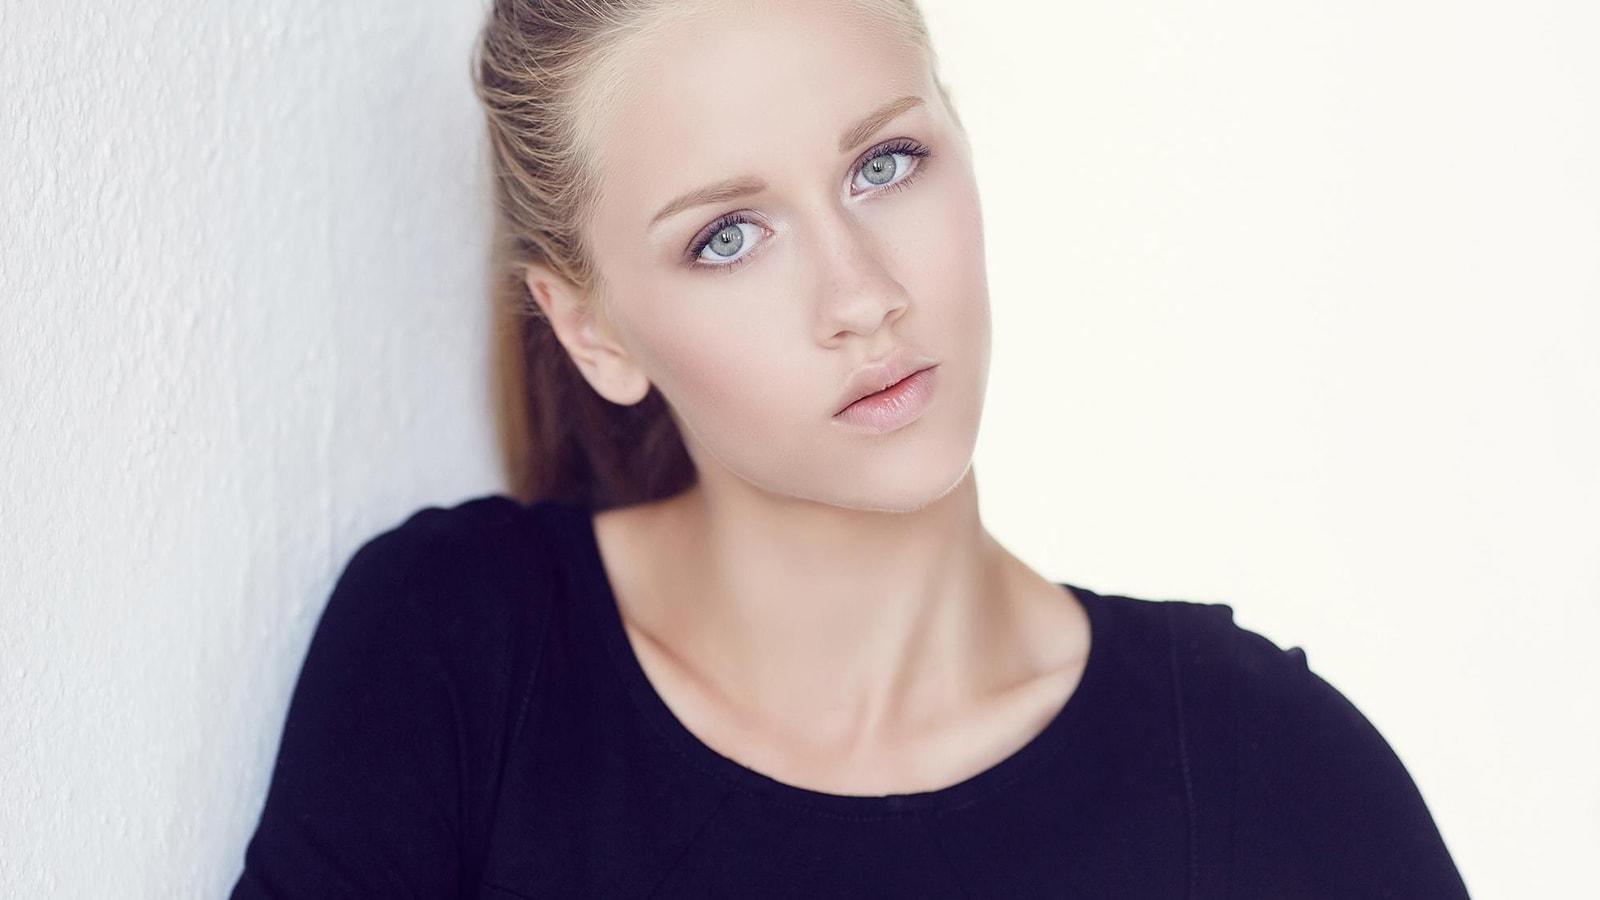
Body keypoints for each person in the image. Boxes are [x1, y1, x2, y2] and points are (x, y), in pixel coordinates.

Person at [228, 0, 1470, 896]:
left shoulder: (1266, 769)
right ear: (593, 330)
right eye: (727, 236)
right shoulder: (459, 651)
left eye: (886, 163)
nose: (862, 295)